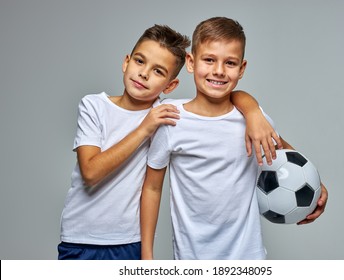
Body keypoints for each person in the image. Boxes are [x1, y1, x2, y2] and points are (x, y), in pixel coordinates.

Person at [58, 24, 280, 260]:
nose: (144, 74)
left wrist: (253, 110)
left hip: (130, 239)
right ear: (126, 62)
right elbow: (91, 171)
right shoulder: (106, 107)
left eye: (158, 71)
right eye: (140, 61)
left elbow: (225, 99)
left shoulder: (167, 114)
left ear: (171, 85)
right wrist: (145, 127)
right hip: (81, 236)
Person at [140, 17, 328, 260]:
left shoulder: (253, 121)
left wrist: (315, 184)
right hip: (192, 260)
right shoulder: (171, 120)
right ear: (190, 61)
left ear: (242, 68)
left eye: (230, 63)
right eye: (209, 59)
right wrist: (147, 256)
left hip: (248, 259)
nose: (218, 70)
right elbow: (152, 188)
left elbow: (286, 156)